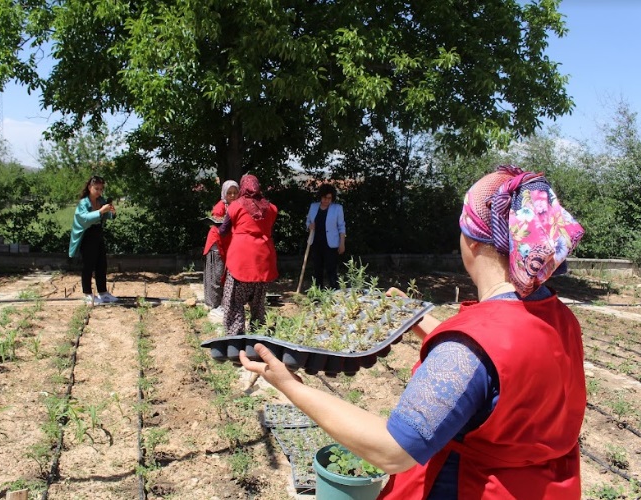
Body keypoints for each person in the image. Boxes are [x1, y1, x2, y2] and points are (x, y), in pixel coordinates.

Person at [240, 165, 586, 498]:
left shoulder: (469, 347)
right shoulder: (558, 318)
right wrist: (418, 319)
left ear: (475, 242)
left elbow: (394, 451)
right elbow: (497, 364)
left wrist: (289, 386)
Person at [218, 174, 278, 336]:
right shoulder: (271, 208)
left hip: (242, 260)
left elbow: (223, 231)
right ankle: (258, 337)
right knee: (258, 303)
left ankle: (236, 340)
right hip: (263, 259)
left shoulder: (236, 206)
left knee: (234, 302)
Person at [68, 175, 118, 305]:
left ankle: (103, 293)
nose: (99, 191)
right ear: (90, 187)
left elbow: (105, 215)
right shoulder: (83, 203)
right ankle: (88, 294)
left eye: (101, 189)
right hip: (87, 235)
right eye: (97, 188)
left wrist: (111, 213)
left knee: (102, 264)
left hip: (98, 233)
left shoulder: (101, 200)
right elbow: (84, 219)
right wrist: (101, 211)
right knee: (88, 265)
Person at [203, 180, 240, 313]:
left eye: (235, 193)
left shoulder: (238, 206)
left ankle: (222, 303)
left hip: (228, 244)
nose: (232, 196)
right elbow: (218, 222)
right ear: (224, 193)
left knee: (225, 275)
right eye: (229, 193)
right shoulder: (221, 206)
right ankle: (214, 304)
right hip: (217, 244)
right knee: (217, 275)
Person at [306, 183, 346, 288]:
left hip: (331, 244)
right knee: (317, 269)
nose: (327, 200)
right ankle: (318, 293)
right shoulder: (313, 207)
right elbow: (308, 222)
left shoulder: (337, 208)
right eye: (324, 198)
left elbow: (341, 226)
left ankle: (335, 292)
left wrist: (342, 243)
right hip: (316, 243)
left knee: (331, 269)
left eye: (329, 198)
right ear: (320, 196)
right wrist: (309, 226)